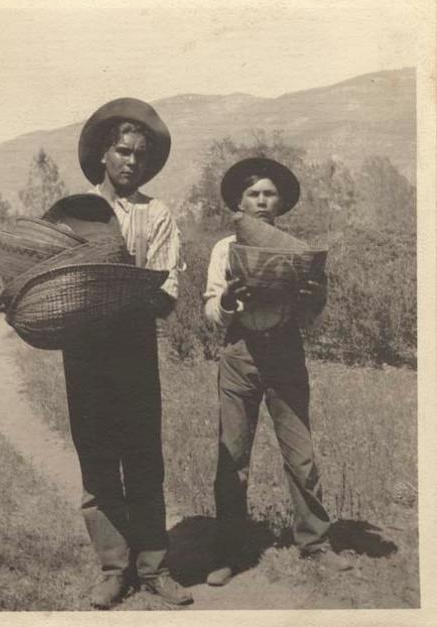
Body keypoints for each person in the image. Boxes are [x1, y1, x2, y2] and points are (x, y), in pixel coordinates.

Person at [61, 98, 192, 608]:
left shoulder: (156, 214)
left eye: (139, 153)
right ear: (102, 155)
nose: (130, 161)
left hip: (134, 350)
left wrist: (120, 285)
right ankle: (114, 568)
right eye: (122, 151)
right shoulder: (72, 213)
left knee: (143, 458)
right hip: (84, 351)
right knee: (96, 457)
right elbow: (54, 279)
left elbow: (165, 292)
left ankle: (154, 566)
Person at [203, 157, 352, 586]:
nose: (262, 201)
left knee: (300, 454)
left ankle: (316, 543)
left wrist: (315, 297)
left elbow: (309, 318)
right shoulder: (223, 248)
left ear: (281, 202)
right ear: (240, 201)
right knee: (233, 455)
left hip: (286, 350)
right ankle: (230, 551)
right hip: (240, 353)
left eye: (269, 194)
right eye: (254, 194)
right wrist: (228, 299)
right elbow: (211, 309)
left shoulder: (295, 248)